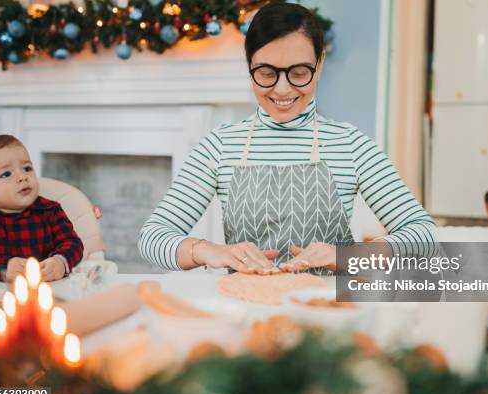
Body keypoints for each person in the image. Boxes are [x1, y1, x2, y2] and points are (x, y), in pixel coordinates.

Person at [139, 2, 436, 276]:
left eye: (298, 72)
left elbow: (424, 235)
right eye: (267, 73)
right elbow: (152, 237)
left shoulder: (352, 145)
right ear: (249, 66)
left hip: (326, 317)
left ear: (319, 65)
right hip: (246, 314)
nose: (282, 89)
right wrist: (207, 250)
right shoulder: (219, 146)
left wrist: (349, 256)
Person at [0, 135, 84, 327]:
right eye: (6, 174)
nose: (22, 177)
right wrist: (2, 268)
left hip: (43, 303)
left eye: (27, 168)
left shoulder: (50, 210)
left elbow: (73, 244)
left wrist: (60, 262)